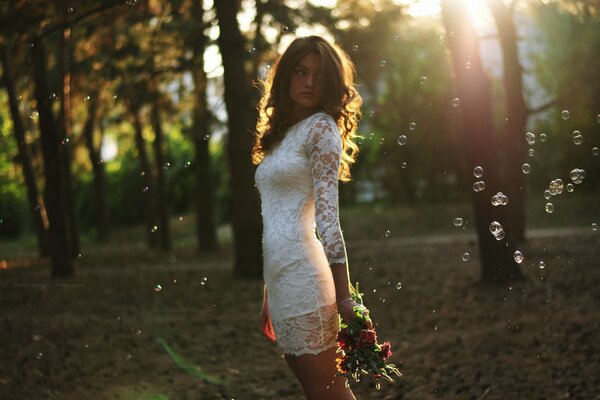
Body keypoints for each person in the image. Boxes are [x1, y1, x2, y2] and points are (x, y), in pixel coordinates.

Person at [252, 35, 372, 400]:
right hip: (283, 279)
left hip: (306, 275)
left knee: (328, 390)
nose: (308, 83)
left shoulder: (321, 130)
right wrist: (268, 293)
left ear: (331, 83)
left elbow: (328, 219)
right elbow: (274, 218)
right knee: (316, 390)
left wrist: (345, 297)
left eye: (318, 76)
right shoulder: (281, 136)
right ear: (286, 75)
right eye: (301, 72)